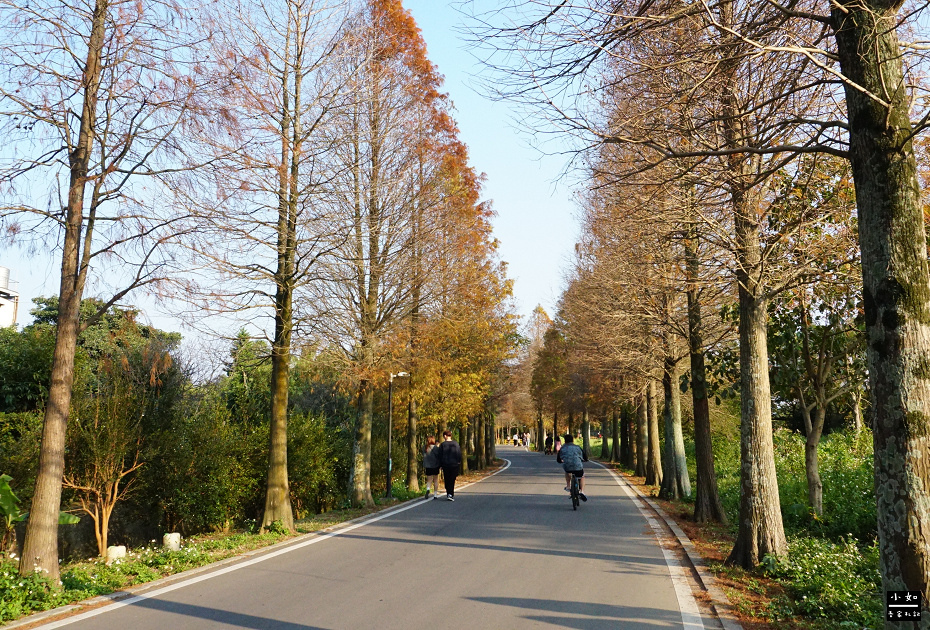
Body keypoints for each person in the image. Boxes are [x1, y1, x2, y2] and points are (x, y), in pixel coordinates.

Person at [556, 434, 588, 501]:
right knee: (581, 476)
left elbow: (558, 459)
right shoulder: (578, 447)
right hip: (577, 466)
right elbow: (585, 457)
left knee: (567, 471)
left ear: (565, 441)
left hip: (568, 466)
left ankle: (568, 486)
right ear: (573, 440)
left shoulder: (562, 448)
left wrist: (561, 461)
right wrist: (584, 460)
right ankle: (582, 491)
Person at [437, 430, 462, 501]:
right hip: (454, 464)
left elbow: (440, 455)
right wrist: (459, 461)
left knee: (447, 479)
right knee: (452, 479)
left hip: (446, 464)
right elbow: (459, 453)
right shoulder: (456, 444)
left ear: (445, 436)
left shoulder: (443, 445)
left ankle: (449, 493)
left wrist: (440, 465)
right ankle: (451, 493)